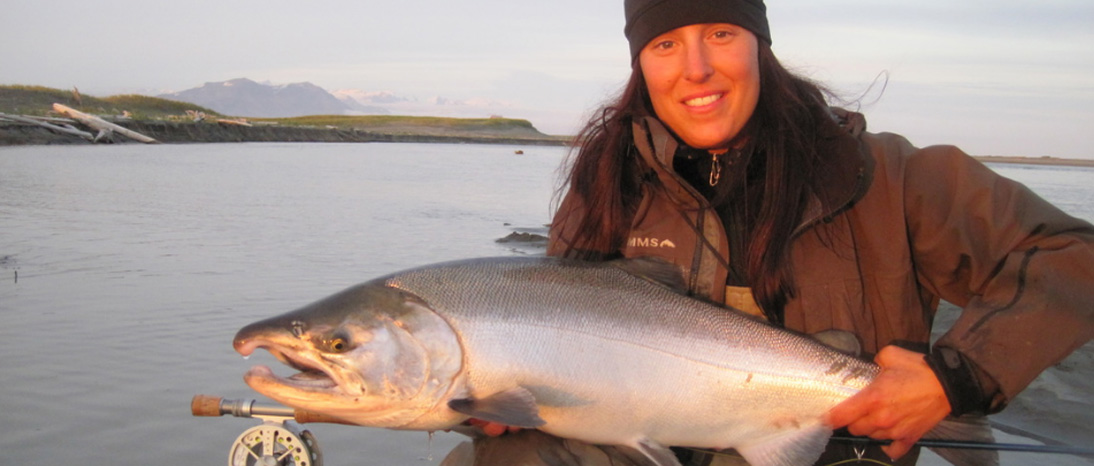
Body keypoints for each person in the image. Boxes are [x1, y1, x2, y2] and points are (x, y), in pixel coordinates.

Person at [446, 0, 1094, 464]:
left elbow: (1073, 254)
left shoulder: (893, 177)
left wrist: (955, 379)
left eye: (721, 32)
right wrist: (502, 399)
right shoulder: (605, 188)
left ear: (761, 43)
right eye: (665, 43)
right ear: (641, 64)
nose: (694, 67)